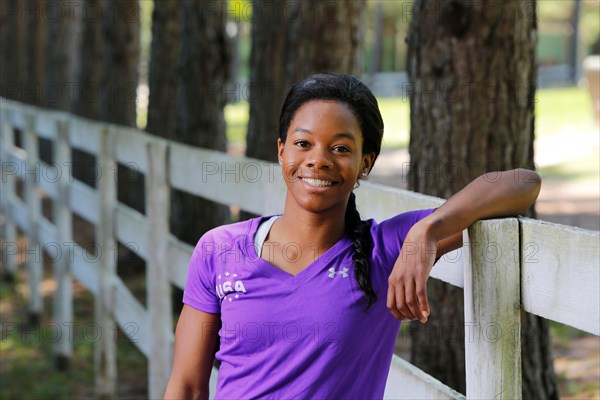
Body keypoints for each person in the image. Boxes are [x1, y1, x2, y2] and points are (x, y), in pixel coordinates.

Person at [164, 73, 541, 399]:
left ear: (366, 163)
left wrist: (427, 231)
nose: (319, 159)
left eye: (340, 148)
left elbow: (522, 184)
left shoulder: (383, 250)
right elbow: (186, 388)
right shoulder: (220, 249)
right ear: (281, 151)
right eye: (303, 143)